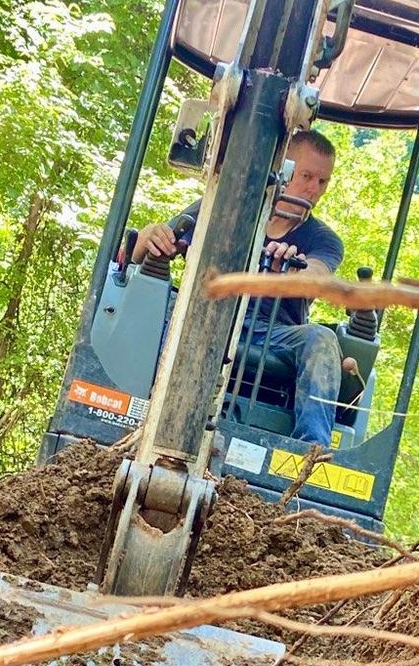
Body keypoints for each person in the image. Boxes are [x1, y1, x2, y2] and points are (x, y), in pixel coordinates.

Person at [132, 130, 344, 447]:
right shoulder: (223, 208)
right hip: (203, 313)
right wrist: (151, 236)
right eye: (306, 176)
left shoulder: (322, 239)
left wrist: (291, 271)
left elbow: (318, 276)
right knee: (157, 301)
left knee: (322, 339)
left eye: (322, 182)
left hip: (271, 331)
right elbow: (148, 249)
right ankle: (143, 410)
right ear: (282, 170)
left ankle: (308, 454)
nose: (313, 189)